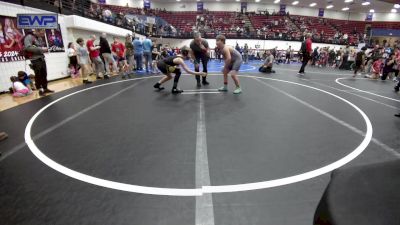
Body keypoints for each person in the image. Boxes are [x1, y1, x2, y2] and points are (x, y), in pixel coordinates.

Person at [23, 30, 54, 96]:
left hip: (41, 58)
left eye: (43, 34)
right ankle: (40, 90)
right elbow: (28, 48)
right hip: (35, 59)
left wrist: (44, 49)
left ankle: (45, 88)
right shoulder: (29, 37)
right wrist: (41, 49)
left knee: (44, 74)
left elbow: (39, 47)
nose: (42, 35)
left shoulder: (39, 38)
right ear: (36, 31)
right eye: (41, 33)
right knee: (38, 75)